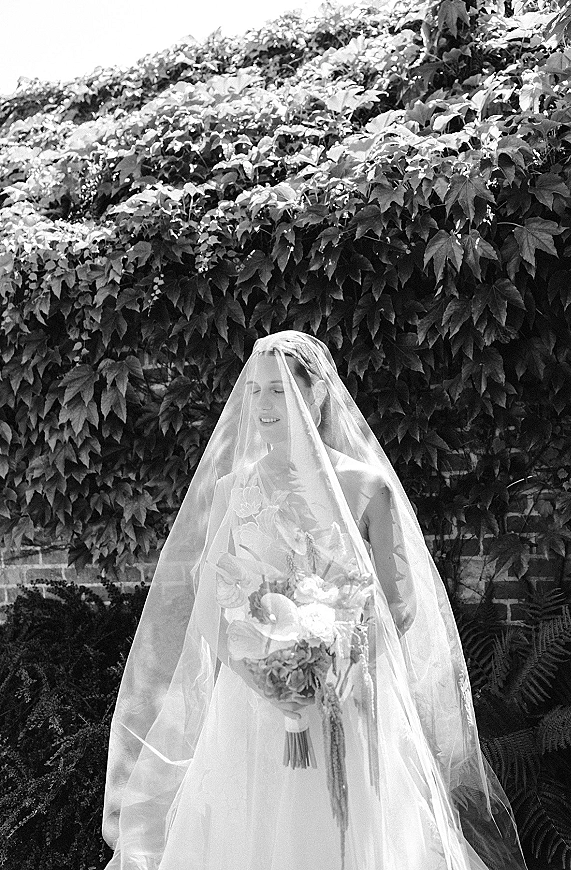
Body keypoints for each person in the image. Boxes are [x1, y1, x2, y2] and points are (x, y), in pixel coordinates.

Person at [102, 331, 528, 870]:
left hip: (345, 701)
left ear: (318, 393)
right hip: (250, 708)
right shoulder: (232, 488)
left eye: (279, 390)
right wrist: (267, 681)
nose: (263, 405)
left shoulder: (367, 487)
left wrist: (333, 672)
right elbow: (210, 604)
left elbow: (399, 607)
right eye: (256, 391)